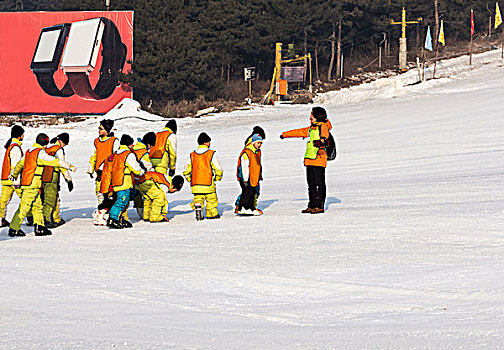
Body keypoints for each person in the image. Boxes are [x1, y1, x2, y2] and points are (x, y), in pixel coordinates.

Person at [8, 133, 76, 237]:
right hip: (31, 184)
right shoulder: (40, 153)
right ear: (44, 144)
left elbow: (19, 164)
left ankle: (40, 227)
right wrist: (69, 166)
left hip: (30, 184)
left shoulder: (29, 151)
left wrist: (14, 174)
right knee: (24, 207)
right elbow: (54, 161)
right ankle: (14, 228)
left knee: (37, 206)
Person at [280, 106, 332, 214]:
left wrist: (322, 140)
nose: (310, 116)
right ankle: (312, 205)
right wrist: (285, 135)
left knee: (319, 183)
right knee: (311, 184)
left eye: (312, 114)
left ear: (317, 115)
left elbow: (325, 134)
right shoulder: (311, 128)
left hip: (319, 158)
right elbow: (298, 132)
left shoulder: (322, 126)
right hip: (309, 159)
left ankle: (319, 205)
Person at [107, 134, 145, 229]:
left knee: (122, 200)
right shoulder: (128, 154)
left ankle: (120, 218)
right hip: (124, 181)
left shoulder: (117, 153)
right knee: (122, 201)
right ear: (129, 144)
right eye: (132, 144)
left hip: (116, 180)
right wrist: (142, 171)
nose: (133, 146)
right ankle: (113, 218)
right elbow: (136, 169)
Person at [183, 132, 223, 220]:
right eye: (209, 142)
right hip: (208, 181)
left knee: (198, 197)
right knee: (211, 198)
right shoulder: (211, 153)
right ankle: (211, 214)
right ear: (206, 143)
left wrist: (189, 178)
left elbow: (186, 169)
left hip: (196, 182)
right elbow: (218, 167)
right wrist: (218, 177)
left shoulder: (192, 154)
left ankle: (198, 205)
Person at [41, 133, 74, 228]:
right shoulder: (58, 150)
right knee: (50, 200)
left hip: (43, 177)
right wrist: (69, 180)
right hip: (51, 177)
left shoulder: (48, 149)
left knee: (54, 198)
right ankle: (46, 220)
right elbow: (62, 166)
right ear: (62, 142)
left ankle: (56, 219)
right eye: (65, 144)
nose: (65, 146)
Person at [87, 119, 119, 206]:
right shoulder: (97, 141)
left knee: (109, 195)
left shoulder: (114, 141)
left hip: (109, 173)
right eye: (99, 128)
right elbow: (95, 155)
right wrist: (91, 169)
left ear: (107, 130)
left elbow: (116, 157)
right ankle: (101, 213)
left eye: (101, 129)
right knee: (99, 193)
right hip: (99, 173)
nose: (99, 130)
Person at [234, 126, 266, 213]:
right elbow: (245, 165)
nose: (260, 145)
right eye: (258, 142)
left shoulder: (257, 150)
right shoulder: (248, 150)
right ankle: (243, 206)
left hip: (254, 174)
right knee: (248, 191)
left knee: (253, 191)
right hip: (247, 175)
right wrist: (245, 178)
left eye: (261, 143)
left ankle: (250, 207)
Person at [1, 125, 25, 228]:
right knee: (26, 198)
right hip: (14, 180)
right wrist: (17, 181)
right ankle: (30, 217)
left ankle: (1, 219)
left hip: (6, 178)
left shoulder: (11, 146)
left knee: (3, 200)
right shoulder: (15, 148)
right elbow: (16, 166)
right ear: (20, 136)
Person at [132, 132, 156, 217]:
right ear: (148, 144)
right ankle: (143, 214)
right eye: (151, 146)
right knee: (141, 194)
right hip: (138, 177)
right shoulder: (143, 153)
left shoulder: (134, 147)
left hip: (129, 176)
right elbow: (148, 166)